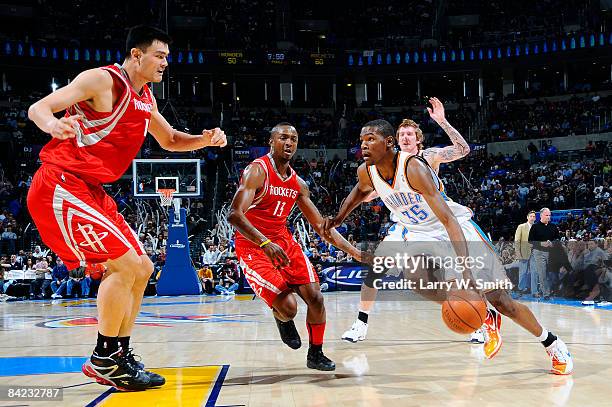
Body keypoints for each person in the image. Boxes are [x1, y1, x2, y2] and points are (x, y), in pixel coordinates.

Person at [26, 25, 227, 391]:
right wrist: (54, 125)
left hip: (91, 189)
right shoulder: (102, 81)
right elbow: (38, 108)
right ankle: (104, 358)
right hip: (59, 182)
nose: (166, 63)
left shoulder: (146, 99)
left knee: (143, 267)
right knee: (124, 265)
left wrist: (205, 140)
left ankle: (117, 355)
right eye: (160, 56)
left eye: (167, 57)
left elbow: (169, 140)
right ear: (137, 54)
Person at [324, 119, 573, 375]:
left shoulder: (414, 167)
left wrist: (465, 270)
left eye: (370, 140)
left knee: (502, 301)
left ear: (388, 143)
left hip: (453, 229)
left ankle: (551, 342)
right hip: (422, 234)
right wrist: (338, 218)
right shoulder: (367, 171)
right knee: (416, 279)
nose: (363, 145)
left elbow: (449, 220)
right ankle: (483, 314)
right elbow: (357, 193)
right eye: (362, 141)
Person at [228, 123, 362, 371]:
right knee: (288, 308)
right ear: (271, 141)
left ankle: (316, 354)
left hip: (283, 242)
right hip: (253, 246)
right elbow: (235, 215)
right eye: (283, 138)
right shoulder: (257, 171)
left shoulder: (299, 184)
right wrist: (265, 243)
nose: (289, 143)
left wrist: (355, 253)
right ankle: (281, 317)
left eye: (293, 139)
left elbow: (323, 227)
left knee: (316, 298)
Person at [342, 97, 475, 343]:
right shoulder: (385, 165)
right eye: (401, 133)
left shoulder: (430, 156)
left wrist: (442, 121)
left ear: (418, 139)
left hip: (437, 226)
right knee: (376, 269)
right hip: (405, 227)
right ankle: (360, 323)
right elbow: (370, 195)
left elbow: (463, 150)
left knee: (454, 278)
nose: (405, 137)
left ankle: (474, 321)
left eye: (410, 134)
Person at [528, 208, 560, 299]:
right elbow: (530, 241)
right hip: (539, 252)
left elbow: (557, 238)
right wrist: (541, 243)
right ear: (541, 215)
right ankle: (546, 293)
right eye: (547, 215)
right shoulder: (535, 227)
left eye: (549, 215)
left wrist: (552, 243)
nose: (548, 217)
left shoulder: (553, 226)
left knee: (552, 273)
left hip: (551, 252)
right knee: (542, 274)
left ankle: (552, 290)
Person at [514, 211, 536, 294]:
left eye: (534, 216)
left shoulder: (537, 227)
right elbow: (517, 241)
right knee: (523, 272)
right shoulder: (521, 227)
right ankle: (521, 289)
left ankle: (534, 291)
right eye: (531, 216)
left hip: (535, 252)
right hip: (523, 253)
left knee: (534, 272)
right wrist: (518, 253)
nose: (532, 218)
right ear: (527, 217)